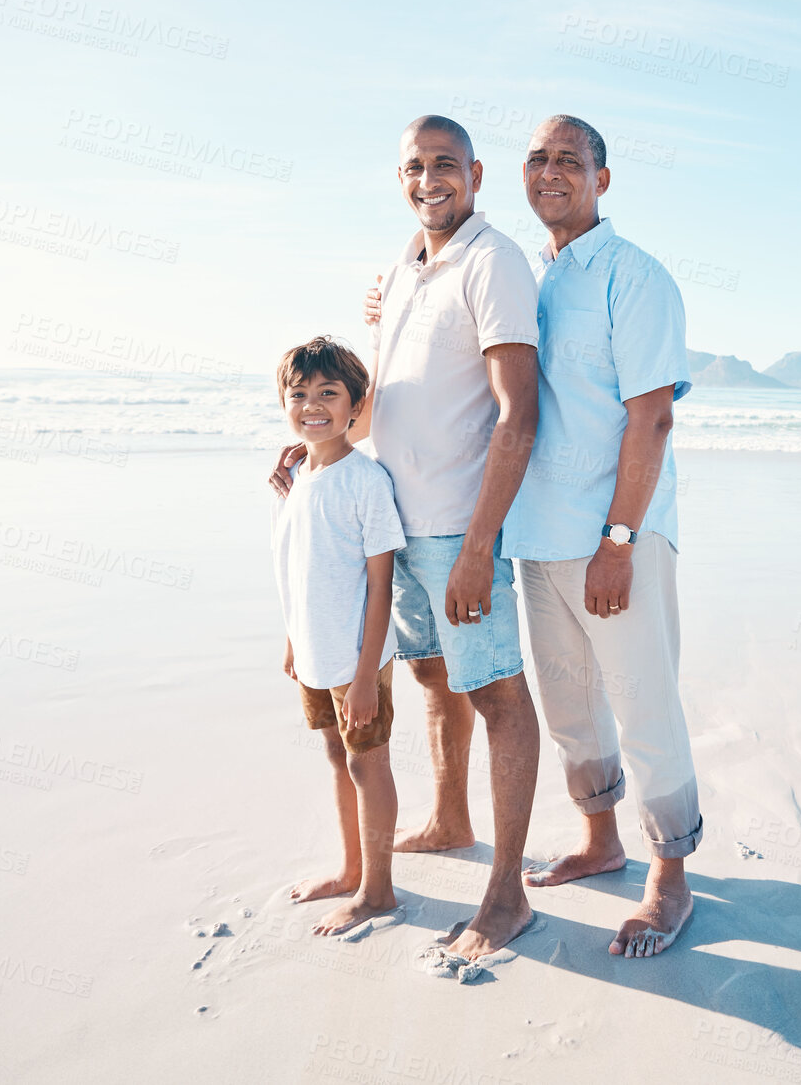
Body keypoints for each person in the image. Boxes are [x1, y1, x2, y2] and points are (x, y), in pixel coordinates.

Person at [365, 115, 705, 957]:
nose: (552, 172)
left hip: (615, 533)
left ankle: (671, 877)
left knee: (643, 700)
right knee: (570, 708)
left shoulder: (635, 277)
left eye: (570, 160)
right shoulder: (536, 275)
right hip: (536, 533)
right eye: (539, 159)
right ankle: (601, 838)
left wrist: (619, 538)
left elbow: (652, 417)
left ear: (603, 176)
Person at [270, 115, 542, 963]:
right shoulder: (403, 264)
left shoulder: (495, 259)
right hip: (390, 511)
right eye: (416, 167)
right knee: (429, 675)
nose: (431, 178)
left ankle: (506, 893)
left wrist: (476, 545)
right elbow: (381, 381)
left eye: (446, 165)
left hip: (458, 524)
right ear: (400, 179)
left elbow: (517, 412)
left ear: (476, 172)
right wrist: (326, 448)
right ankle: (449, 817)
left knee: (495, 690)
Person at [271, 335, 407, 937]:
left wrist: (364, 676)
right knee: (336, 755)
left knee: (366, 764)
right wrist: (294, 639)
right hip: (315, 651)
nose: (312, 405)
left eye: (329, 392)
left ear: (357, 405)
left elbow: (381, 587)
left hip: (358, 658)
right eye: (298, 394)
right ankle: (351, 868)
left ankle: (379, 890)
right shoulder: (300, 473)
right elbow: (301, 564)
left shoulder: (365, 480)